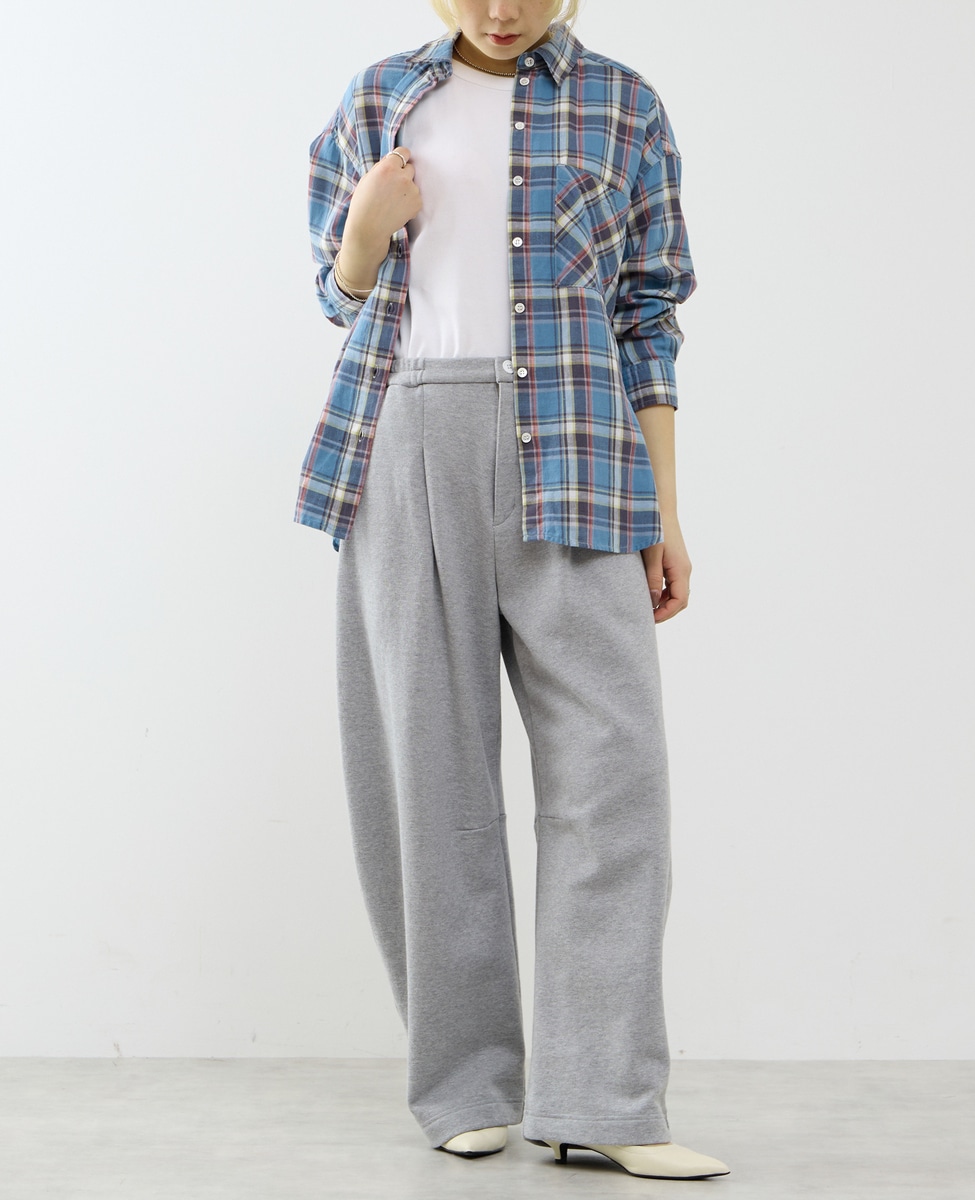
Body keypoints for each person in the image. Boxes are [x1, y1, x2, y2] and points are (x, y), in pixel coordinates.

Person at [295, 0, 730, 1182]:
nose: (501, 10)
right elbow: (337, 296)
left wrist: (665, 508)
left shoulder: (624, 104)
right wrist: (365, 230)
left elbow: (648, 317)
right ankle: (463, 1086)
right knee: (428, 777)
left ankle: (603, 1097)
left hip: (582, 449)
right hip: (405, 444)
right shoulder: (380, 97)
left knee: (614, 776)